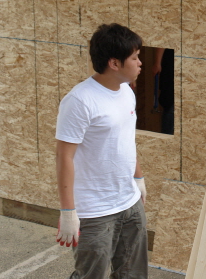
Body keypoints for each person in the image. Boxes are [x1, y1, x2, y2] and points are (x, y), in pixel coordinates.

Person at [55, 23, 148, 277]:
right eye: (135, 58)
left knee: (133, 273)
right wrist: (68, 212)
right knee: (91, 274)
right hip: (95, 212)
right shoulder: (80, 101)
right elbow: (64, 157)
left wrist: (138, 178)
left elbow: (126, 139)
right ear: (114, 63)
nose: (140, 63)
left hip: (129, 203)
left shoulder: (126, 91)